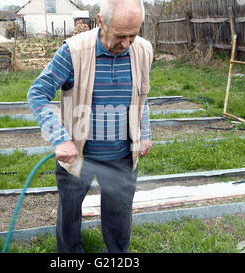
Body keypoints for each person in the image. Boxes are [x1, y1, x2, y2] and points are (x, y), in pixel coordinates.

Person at [27, 0, 153, 253]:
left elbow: (141, 95)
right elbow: (37, 93)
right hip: (78, 154)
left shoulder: (144, 50)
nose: (127, 44)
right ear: (100, 22)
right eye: (120, 35)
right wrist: (59, 139)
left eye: (133, 34)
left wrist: (145, 133)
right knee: (70, 215)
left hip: (122, 156)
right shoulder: (73, 52)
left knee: (119, 217)